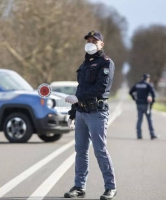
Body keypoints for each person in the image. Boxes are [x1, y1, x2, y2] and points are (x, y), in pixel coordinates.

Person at [64, 30, 117, 200]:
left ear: (101, 44)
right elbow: (80, 89)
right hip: (81, 112)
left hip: (97, 113)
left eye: (95, 40)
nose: (91, 42)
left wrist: (78, 98)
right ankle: (79, 187)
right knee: (80, 151)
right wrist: (72, 113)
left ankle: (110, 187)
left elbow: (101, 88)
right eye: (88, 40)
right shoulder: (85, 64)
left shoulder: (106, 63)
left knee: (100, 151)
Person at [129, 74, 158, 140]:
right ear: (148, 79)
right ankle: (152, 134)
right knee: (149, 120)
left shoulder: (137, 84)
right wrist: (152, 103)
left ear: (142, 78)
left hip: (139, 104)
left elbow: (130, 92)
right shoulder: (148, 85)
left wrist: (134, 98)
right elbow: (154, 94)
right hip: (146, 105)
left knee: (139, 120)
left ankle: (139, 135)